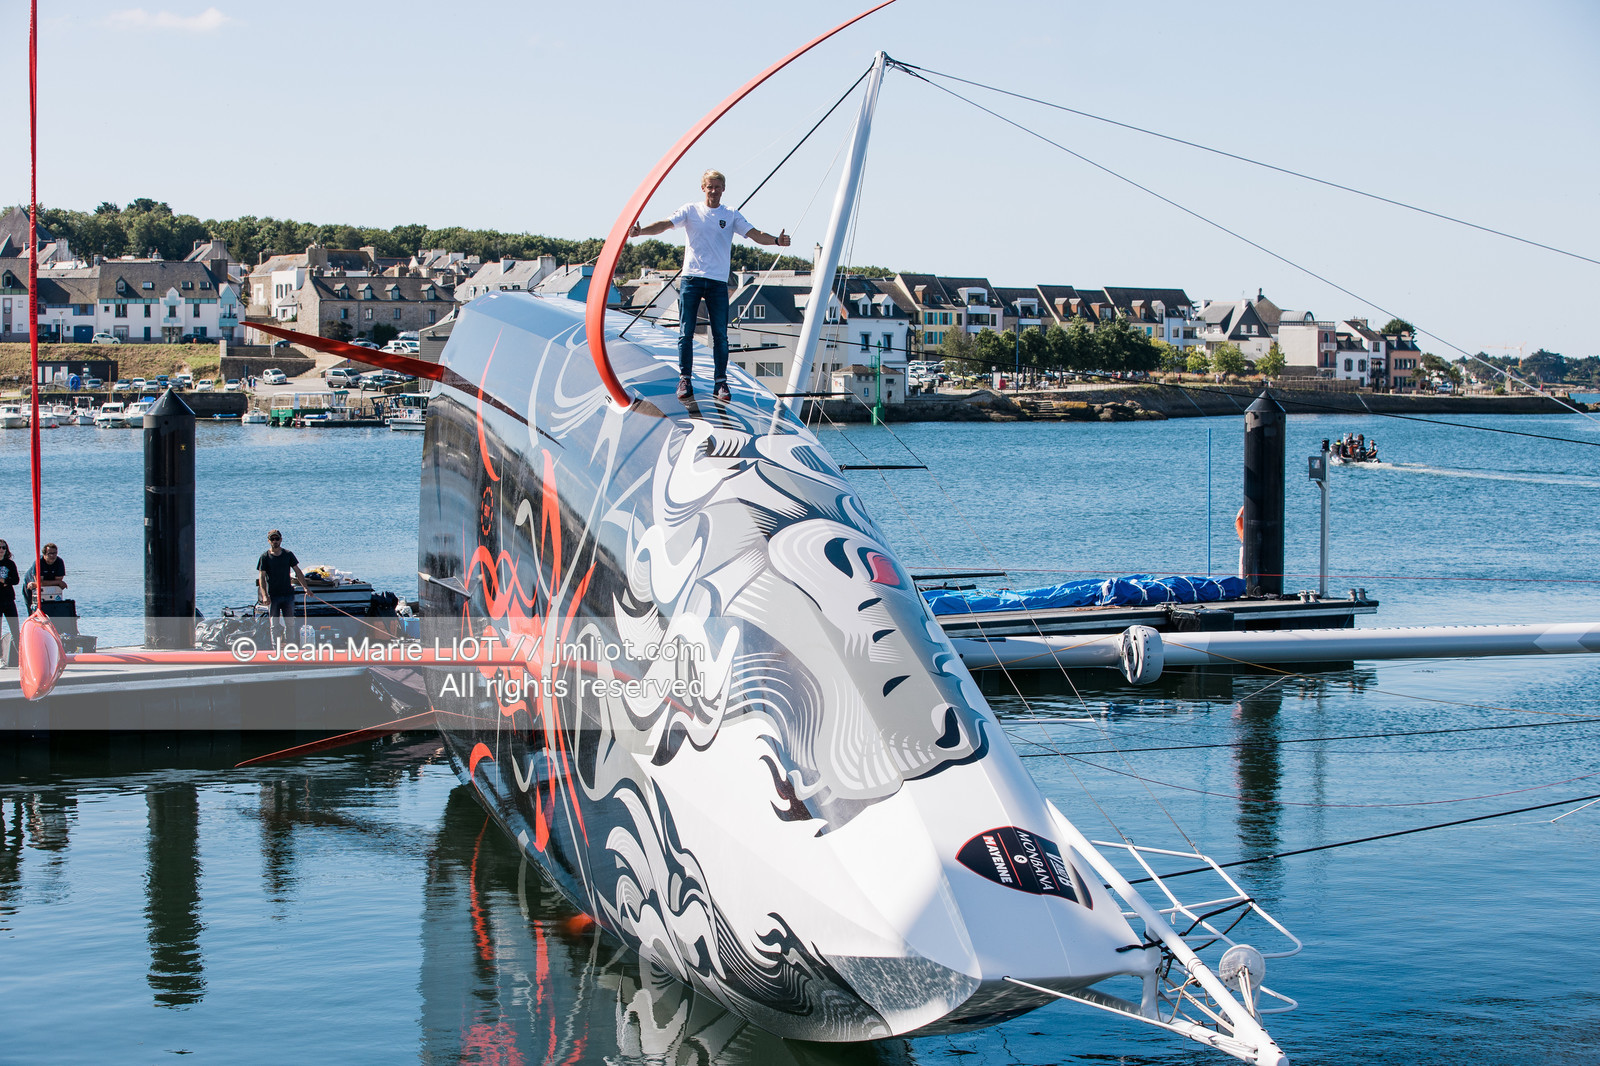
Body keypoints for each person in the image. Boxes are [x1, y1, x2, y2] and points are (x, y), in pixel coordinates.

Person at [630, 169, 791, 402]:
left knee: (720, 335)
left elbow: (755, 234)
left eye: (718, 187)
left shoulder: (731, 214)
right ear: (703, 188)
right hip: (692, 279)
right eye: (710, 187)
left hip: (717, 282)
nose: (714, 191)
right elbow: (665, 224)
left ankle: (721, 382)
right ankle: (685, 378)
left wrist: (776, 240)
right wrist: (641, 231)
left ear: (723, 189)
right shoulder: (690, 210)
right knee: (686, 332)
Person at [256, 529, 307, 643]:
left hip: (287, 595)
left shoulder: (288, 554)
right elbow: (262, 577)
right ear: (269, 541)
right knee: (274, 625)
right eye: (272, 539)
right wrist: (264, 595)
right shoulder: (264, 557)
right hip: (273, 596)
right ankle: (275, 647)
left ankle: (290, 646)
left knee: (290, 624)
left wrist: (305, 588)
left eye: (277, 539)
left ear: (281, 540)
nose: (275, 541)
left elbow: (298, 572)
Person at [22, 543, 66, 614]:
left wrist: (57, 583)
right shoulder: (39, 562)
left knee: (52, 606)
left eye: (55, 553)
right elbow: (40, 583)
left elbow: (58, 581)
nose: (52, 556)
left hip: (46, 586)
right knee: (32, 608)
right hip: (30, 586)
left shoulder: (59, 562)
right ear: (44, 554)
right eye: (50, 553)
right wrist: (57, 583)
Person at [0, 539, 18, 645]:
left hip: (9, 599)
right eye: (0, 547)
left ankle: (18, 657)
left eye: (3, 547)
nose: (1, 550)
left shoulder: (10, 564)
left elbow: (15, 580)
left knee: (15, 629)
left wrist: (4, 581)